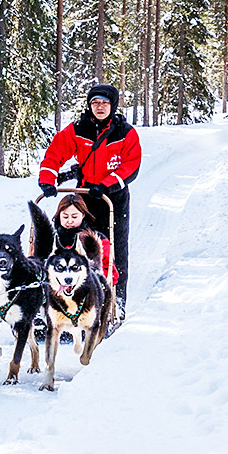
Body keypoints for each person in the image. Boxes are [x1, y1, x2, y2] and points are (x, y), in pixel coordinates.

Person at [37, 83, 140, 314]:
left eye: (104, 103)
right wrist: (48, 178)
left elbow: (131, 165)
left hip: (112, 198)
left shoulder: (125, 132)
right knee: (76, 246)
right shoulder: (78, 129)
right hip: (84, 196)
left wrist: (106, 184)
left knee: (114, 249)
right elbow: (55, 153)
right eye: (95, 102)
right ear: (89, 105)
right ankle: (71, 302)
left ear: (112, 105)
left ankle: (117, 300)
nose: (100, 107)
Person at [53, 193, 116, 286]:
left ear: (83, 215)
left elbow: (110, 271)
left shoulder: (97, 240)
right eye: (65, 217)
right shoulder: (51, 239)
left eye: (74, 217)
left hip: (88, 289)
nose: (70, 221)